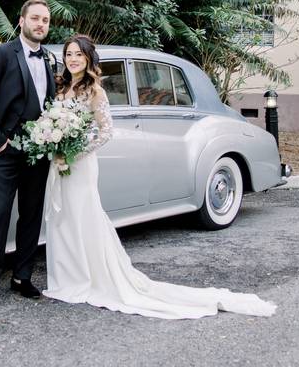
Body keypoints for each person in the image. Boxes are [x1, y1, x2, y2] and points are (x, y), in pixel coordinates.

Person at [43, 34, 277, 319]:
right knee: (62, 217)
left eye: (79, 54)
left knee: (83, 215)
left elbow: (105, 131)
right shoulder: (60, 87)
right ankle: (69, 276)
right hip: (60, 164)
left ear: (89, 58)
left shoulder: (96, 91)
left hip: (80, 162)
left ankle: (87, 278)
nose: (73, 59)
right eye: (69, 54)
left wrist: (73, 154)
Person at [0, 0, 56, 308]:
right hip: (6, 150)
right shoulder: (1, 53)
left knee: (32, 215)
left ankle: (22, 277)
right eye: (35, 18)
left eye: (45, 20)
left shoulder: (48, 59)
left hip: (38, 151)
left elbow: (49, 104)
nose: (40, 24)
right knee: (0, 214)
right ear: (21, 21)